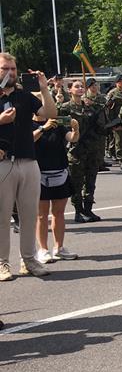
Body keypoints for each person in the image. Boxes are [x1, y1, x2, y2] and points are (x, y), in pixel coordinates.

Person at [0, 55, 58, 281]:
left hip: (29, 161)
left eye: (13, 68)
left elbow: (50, 114)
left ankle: (29, 260)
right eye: (5, 68)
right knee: (2, 217)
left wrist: (44, 90)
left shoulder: (24, 96)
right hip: (3, 163)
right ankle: (3, 263)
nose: (10, 73)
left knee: (29, 215)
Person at [32, 112, 80, 263]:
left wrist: (76, 130)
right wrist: (43, 128)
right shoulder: (28, 123)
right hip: (39, 173)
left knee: (59, 213)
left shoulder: (56, 123)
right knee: (41, 215)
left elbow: (72, 138)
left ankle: (59, 248)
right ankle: (43, 249)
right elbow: (28, 140)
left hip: (60, 171)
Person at [60, 79, 108, 223]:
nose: (80, 88)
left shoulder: (90, 108)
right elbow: (61, 127)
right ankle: (78, 211)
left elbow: (100, 125)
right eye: (77, 86)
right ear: (70, 90)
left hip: (92, 149)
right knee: (77, 182)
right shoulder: (65, 108)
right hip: (76, 150)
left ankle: (88, 209)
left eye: (82, 86)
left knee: (91, 181)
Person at [106, 74, 122, 168]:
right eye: (121, 82)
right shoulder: (113, 93)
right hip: (117, 119)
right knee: (119, 141)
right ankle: (121, 159)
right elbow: (107, 106)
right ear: (117, 83)